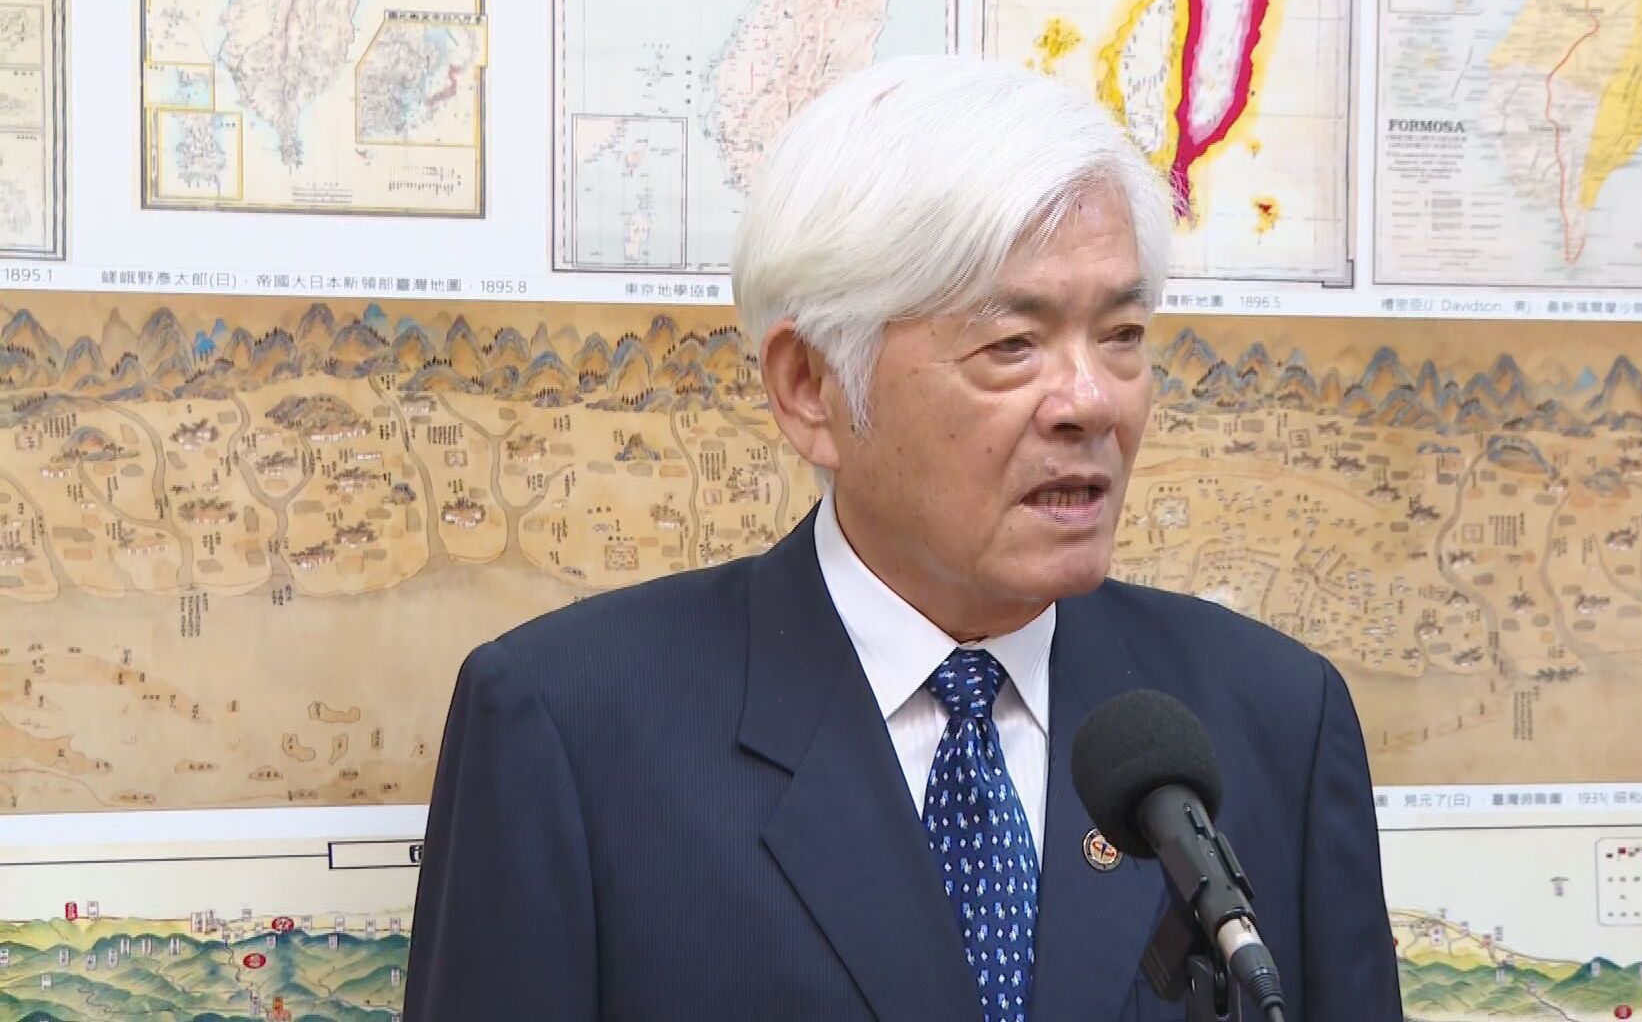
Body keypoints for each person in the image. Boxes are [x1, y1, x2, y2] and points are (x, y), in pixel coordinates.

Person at [404, 55, 1402, 1022]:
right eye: (1012, 344)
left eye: (1122, 337)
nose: (1092, 401)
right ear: (811, 387)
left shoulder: (1274, 719)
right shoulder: (571, 733)